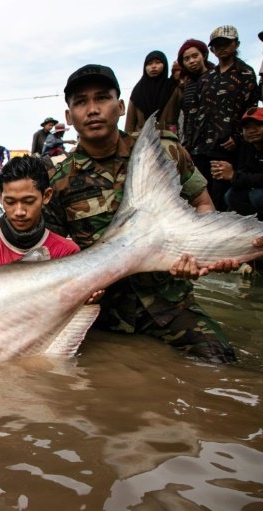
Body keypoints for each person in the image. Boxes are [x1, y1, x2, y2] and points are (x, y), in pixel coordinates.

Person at [43, 63, 255, 364]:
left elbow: (204, 205)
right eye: (80, 102)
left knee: (222, 364)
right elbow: (50, 250)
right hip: (101, 315)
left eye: (101, 98)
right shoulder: (57, 179)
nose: (92, 109)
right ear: (69, 116)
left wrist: (201, 252)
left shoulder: (162, 154)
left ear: (119, 106)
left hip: (170, 303)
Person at [0, 156, 79, 271]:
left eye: (28, 201)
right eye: (10, 202)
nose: (19, 212)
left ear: (46, 196)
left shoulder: (67, 252)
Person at [189, 25, 260, 211]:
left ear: (236, 44)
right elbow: (194, 112)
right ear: (211, 49)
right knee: (200, 195)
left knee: (221, 198)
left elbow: (250, 111)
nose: (221, 48)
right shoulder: (206, 78)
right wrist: (188, 143)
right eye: (217, 44)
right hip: (201, 147)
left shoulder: (246, 74)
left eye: (226, 43)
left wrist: (237, 137)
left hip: (226, 147)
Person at [213, 107, 263, 220]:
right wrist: (224, 173)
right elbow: (242, 175)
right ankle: (253, 226)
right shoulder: (247, 147)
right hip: (255, 189)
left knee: (257, 196)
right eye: (247, 127)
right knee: (231, 196)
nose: (252, 130)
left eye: (258, 125)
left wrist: (234, 176)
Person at [124, 50, 180, 134]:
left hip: (168, 141)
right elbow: (129, 123)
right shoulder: (138, 90)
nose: (153, 66)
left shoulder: (173, 88)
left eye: (158, 62)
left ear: (164, 65)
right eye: (149, 64)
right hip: (142, 142)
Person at [175, 39, 214, 149]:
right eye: (186, 59)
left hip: (215, 142)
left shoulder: (216, 78)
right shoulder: (187, 85)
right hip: (193, 143)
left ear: (204, 55)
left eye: (195, 56)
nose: (191, 61)